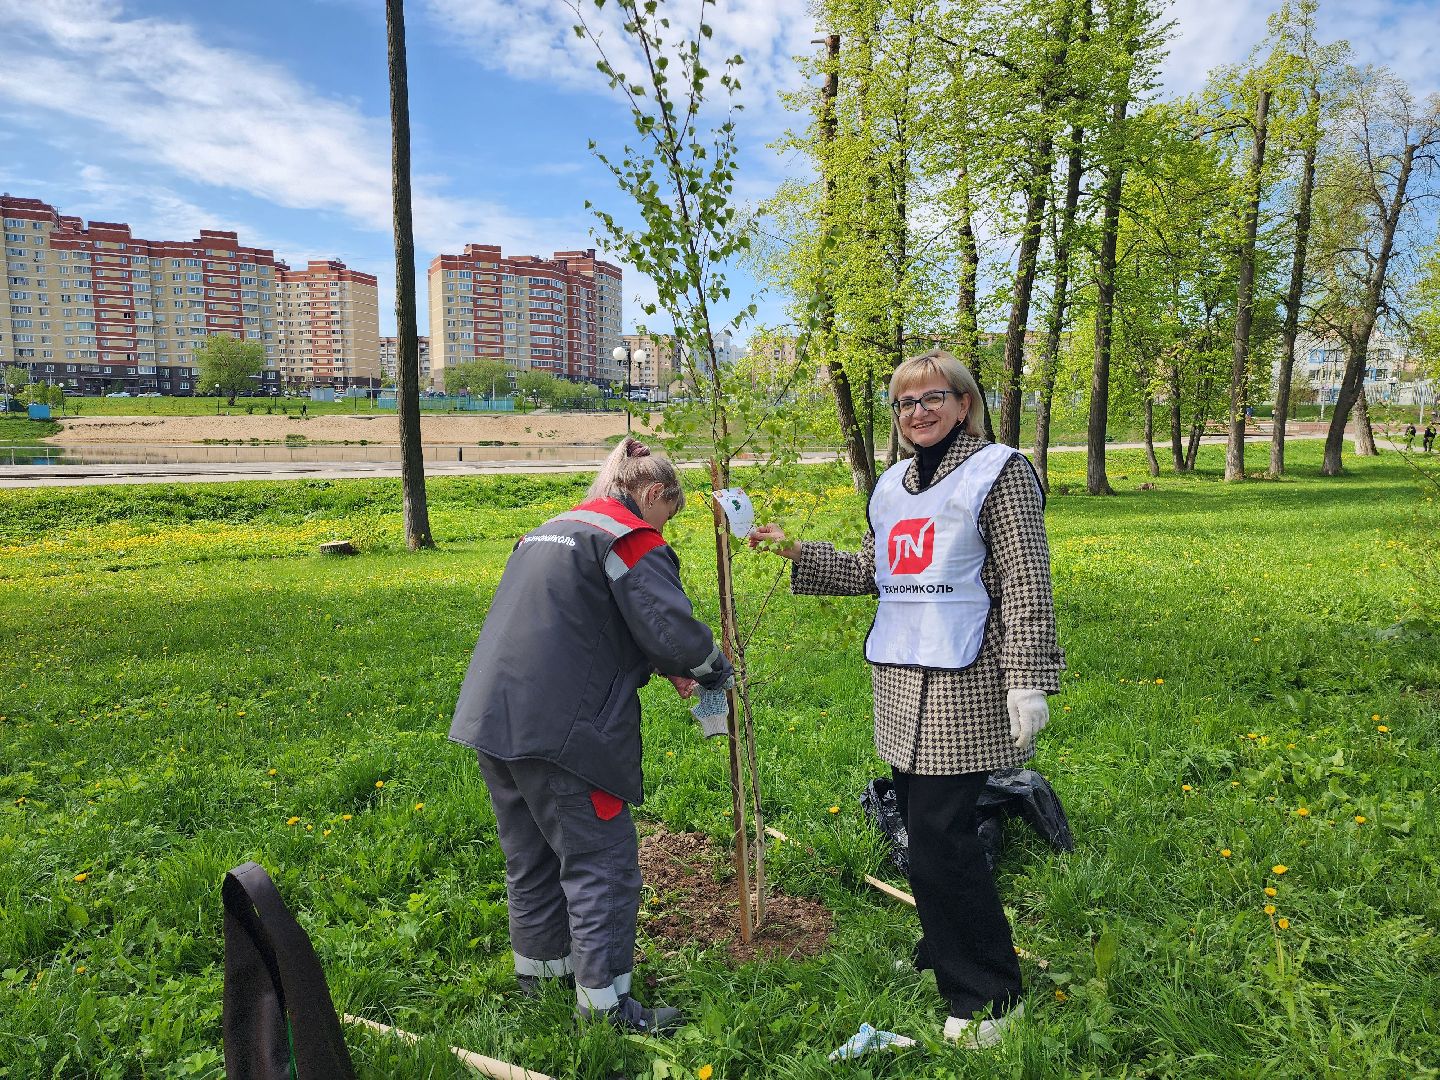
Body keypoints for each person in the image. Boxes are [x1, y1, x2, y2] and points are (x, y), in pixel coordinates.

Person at [750, 348, 1064, 1050]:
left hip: (964, 683)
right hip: (900, 687)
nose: (917, 412)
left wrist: (1027, 677)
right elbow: (874, 569)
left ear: (964, 403)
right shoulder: (893, 484)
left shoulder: (1000, 471)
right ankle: (945, 943)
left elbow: (1026, 580)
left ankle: (990, 997)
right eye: (904, 402)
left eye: (932, 398)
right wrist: (796, 551)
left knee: (943, 842)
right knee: (926, 838)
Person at [449, 436, 733, 1036]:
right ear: (652, 493)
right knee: (602, 864)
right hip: (567, 734)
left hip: (493, 717)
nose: (664, 528)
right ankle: (606, 1011)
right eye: (668, 514)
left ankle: (541, 979)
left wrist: (658, 660)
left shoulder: (548, 531)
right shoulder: (629, 539)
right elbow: (670, 629)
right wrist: (711, 668)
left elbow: (580, 619)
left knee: (531, 856)